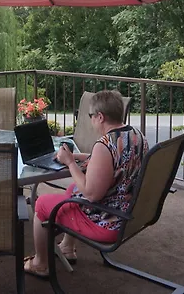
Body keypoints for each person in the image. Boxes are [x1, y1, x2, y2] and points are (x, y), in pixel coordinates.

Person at [24, 89, 149, 279]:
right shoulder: (135, 135)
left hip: (108, 221)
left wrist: (70, 163)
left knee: (41, 204)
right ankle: (67, 247)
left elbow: (91, 194)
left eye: (91, 116)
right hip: (127, 210)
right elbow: (108, 161)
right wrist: (73, 156)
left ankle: (40, 263)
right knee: (73, 188)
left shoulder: (105, 145)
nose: (91, 120)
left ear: (100, 117)